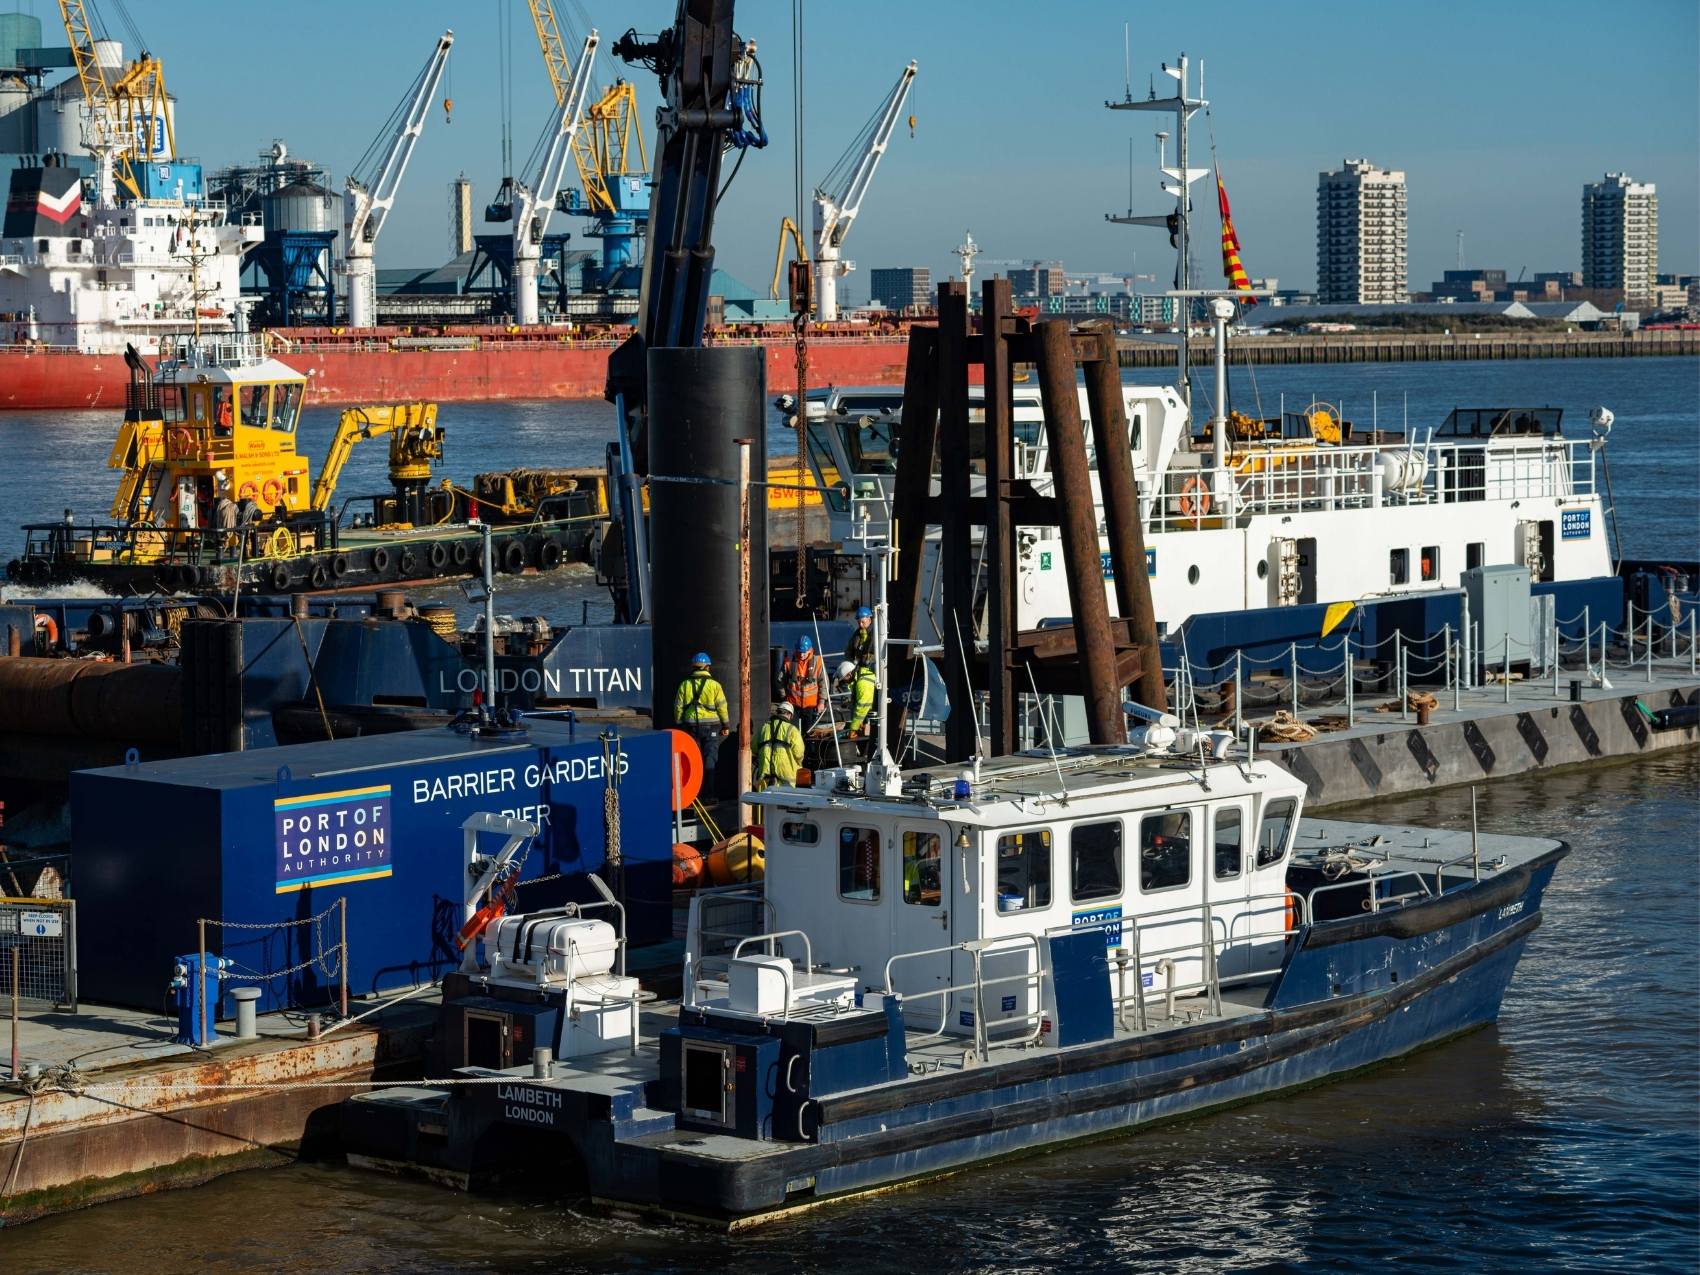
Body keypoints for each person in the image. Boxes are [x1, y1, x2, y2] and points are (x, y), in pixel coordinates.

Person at [673, 652, 729, 800]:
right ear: (707, 668)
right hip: (711, 728)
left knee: (693, 760)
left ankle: (693, 796)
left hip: (690, 727)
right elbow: (722, 707)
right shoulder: (715, 686)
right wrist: (725, 726)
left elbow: (678, 707)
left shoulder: (684, 685)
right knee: (710, 759)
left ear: (694, 667)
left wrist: (679, 724)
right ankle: (708, 796)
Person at [753, 701, 805, 790]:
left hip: (766, 777)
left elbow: (754, 747)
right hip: (786, 777)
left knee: (765, 798)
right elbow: (798, 753)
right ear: (790, 715)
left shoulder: (764, 727)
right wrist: (799, 763)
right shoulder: (793, 730)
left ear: (777, 712)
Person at [780, 634, 826, 732]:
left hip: (810, 706)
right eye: (799, 652)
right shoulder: (788, 662)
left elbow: (824, 683)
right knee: (791, 732)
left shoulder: (818, 662)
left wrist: (821, 702)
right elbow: (780, 681)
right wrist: (784, 698)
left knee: (808, 733)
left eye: (804, 652)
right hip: (792, 705)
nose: (801, 655)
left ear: (810, 650)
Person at [842, 659, 878, 739]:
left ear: (849, 674)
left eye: (844, 679)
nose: (844, 682)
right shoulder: (862, 673)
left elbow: (862, 708)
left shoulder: (862, 683)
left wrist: (853, 728)